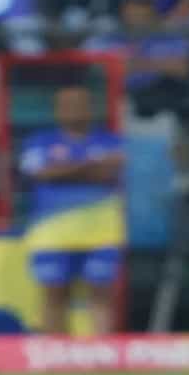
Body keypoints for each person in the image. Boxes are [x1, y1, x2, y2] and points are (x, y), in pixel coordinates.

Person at [18, 85, 126, 335]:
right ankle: (56, 352)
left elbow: (111, 174)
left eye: (79, 104)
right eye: (66, 105)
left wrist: (64, 170)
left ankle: (101, 351)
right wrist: (91, 165)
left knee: (101, 293)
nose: (73, 110)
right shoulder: (40, 142)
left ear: (91, 109)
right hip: (52, 231)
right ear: (57, 111)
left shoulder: (112, 141)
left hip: (101, 231)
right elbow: (41, 174)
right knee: (54, 295)